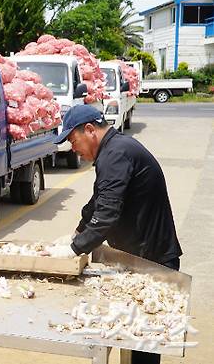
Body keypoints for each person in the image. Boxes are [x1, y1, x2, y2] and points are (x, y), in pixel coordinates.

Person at [51, 104, 183, 364]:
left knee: (144, 345)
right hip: (138, 257)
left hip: (152, 263)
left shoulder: (117, 153)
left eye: (72, 140)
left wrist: (74, 249)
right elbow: (99, 201)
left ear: (89, 130)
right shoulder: (113, 151)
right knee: (131, 339)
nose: (72, 148)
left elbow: (107, 214)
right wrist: (76, 232)